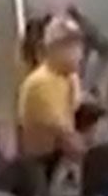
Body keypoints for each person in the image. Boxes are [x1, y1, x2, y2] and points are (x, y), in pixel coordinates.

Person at [17, 19, 84, 175]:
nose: (77, 52)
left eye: (78, 43)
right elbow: (66, 138)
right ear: (50, 49)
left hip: (59, 160)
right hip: (40, 166)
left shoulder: (68, 78)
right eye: (67, 44)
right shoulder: (41, 82)